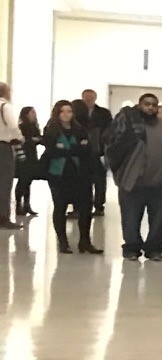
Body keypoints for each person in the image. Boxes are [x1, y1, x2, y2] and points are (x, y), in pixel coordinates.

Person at [114, 93, 162, 261]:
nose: (150, 107)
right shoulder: (128, 126)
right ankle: (131, 248)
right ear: (139, 105)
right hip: (132, 183)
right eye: (146, 104)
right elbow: (112, 147)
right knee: (130, 219)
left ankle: (154, 249)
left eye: (154, 104)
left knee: (159, 220)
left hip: (160, 183)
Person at [42, 102, 98, 254]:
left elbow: (86, 150)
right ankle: (63, 242)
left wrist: (67, 149)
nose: (66, 114)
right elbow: (52, 150)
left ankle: (85, 241)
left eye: (69, 111)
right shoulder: (51, 130)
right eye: (63, 111)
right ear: (57, 113)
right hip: (59, 175)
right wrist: (75, 148)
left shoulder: (80, 129)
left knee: (86, 208)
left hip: (80, 174)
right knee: (60, 207)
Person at [74, 87, 112, 217]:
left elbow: (109, 131)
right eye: (86, 97)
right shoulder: (76, 112)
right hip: (82, 151)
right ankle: (81, 206)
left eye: (91, 98)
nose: (88, 100)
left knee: (100, 180)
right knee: (82, 180)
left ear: (95, 98)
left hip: (99, 151)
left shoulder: (104, 113)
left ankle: (99, 206)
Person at [14, 104, 41, 222]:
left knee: (28, 180)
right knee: (23, 179)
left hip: (32, 155)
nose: (34, 114)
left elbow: (38, 138)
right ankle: (18, 205)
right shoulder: (21, 126)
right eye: (32, 112)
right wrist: (32, 140)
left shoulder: (34, 126)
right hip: (23, 155)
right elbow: (20, 140)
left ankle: (27, 204)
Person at [0, 82, 21, 230]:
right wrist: (19, 138)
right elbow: (13, 126)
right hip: (3, 147)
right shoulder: (5, 106)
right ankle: (3, 217)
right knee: (5, 182)